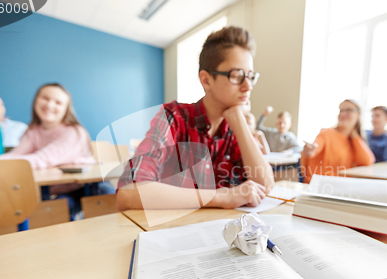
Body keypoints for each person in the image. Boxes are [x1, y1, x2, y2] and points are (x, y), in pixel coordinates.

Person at [116, 26, 274, 210]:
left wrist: (239, 121)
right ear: (206, 80)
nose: (248, 86)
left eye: (250, 76)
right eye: (237, 75)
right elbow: (128, 193)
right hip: (169, 230)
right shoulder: (174, 117)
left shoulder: (234, 127)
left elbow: (265, 185)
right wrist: (222, 197)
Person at [0, 83, 98, 218]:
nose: (50, 105)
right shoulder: (33, 130)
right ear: (36, 100)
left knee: (40, 214)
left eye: (58, 102)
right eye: (45, 98)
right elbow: (16, 155)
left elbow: (41, 159)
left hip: (84, 191)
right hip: (45, 189)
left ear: (66, 109)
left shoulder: (74, 132)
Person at [302, 99, 375, 183]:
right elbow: (315, 148)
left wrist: (355, 136)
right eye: (341, 110)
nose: (343, 114)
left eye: (348, 110)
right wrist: (310, 150)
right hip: (321, 185)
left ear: (358, 115)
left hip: (341, 185)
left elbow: (367, 161)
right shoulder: (326, 133)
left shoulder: (354, 140)